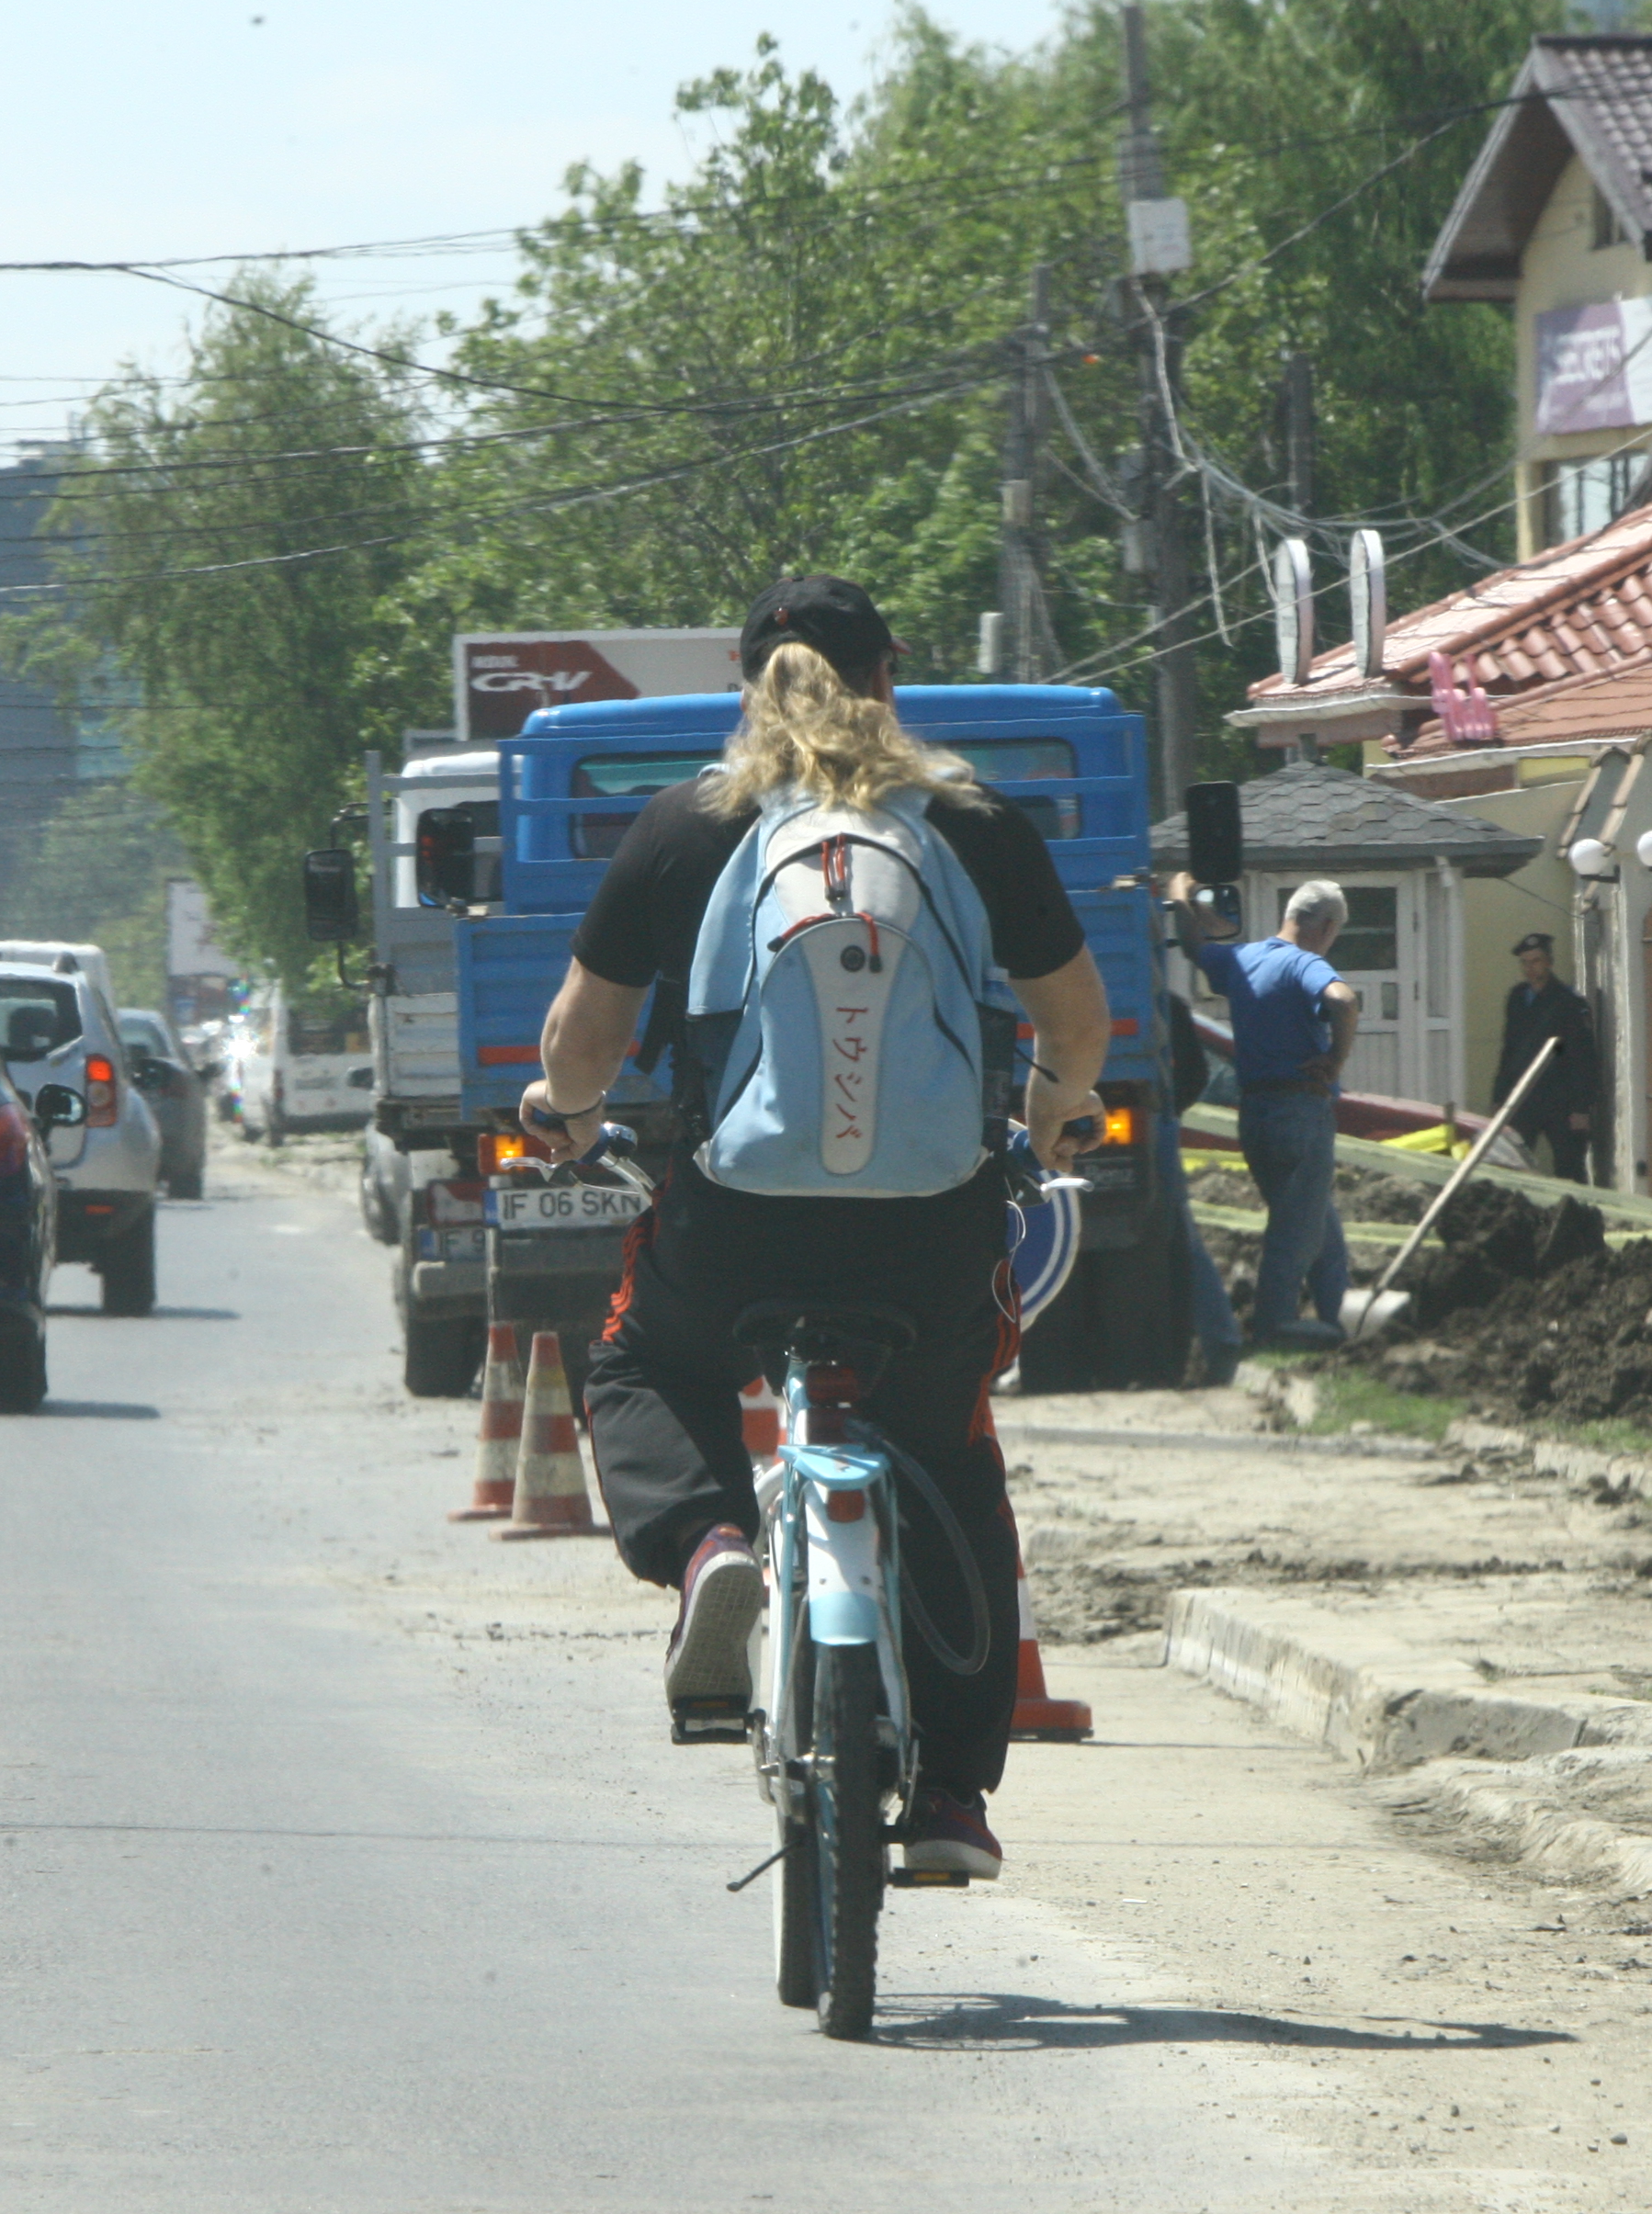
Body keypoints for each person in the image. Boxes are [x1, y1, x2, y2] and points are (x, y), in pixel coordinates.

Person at [517, 575, 1111, 1882]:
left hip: (738, 1221)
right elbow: (1077, 1023)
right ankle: (952, 1799)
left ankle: (712, 1544)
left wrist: (562, 1114)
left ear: (747, 681)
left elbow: (581, 1043)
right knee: (951, 1452)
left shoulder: (687, 824)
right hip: (931, 1224)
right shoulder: (972, 820)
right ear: (891, 678)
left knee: (639, 1361)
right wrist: (1059, 1116)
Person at [1168, 875, 1361, 1347]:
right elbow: (1344, 1000)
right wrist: (1336, 1058)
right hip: (1302, 1111)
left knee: (1318, 1227)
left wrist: (1179, 897)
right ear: (1326, 926)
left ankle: (1340, 1324)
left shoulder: (1243, 958)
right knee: (1294, 1233)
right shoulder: (1304, 964)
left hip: (1254, 1114)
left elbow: (1193, 948)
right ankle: (1274, 1328)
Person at [1492, 932, 1600, 1181]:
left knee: (1569, 1167)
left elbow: (1583, 1057)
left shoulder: (1569, 1002)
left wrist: (1581, 1107)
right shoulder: (1517, 998)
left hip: (1560, 1100)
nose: (1530, 968)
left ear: (1549, 962)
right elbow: (1509, 1050)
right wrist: (1499, 1096)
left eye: (1536, 961)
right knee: (1516, 1165)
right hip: (1523, 1098)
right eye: (1525, 962)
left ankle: (1576, 1217)